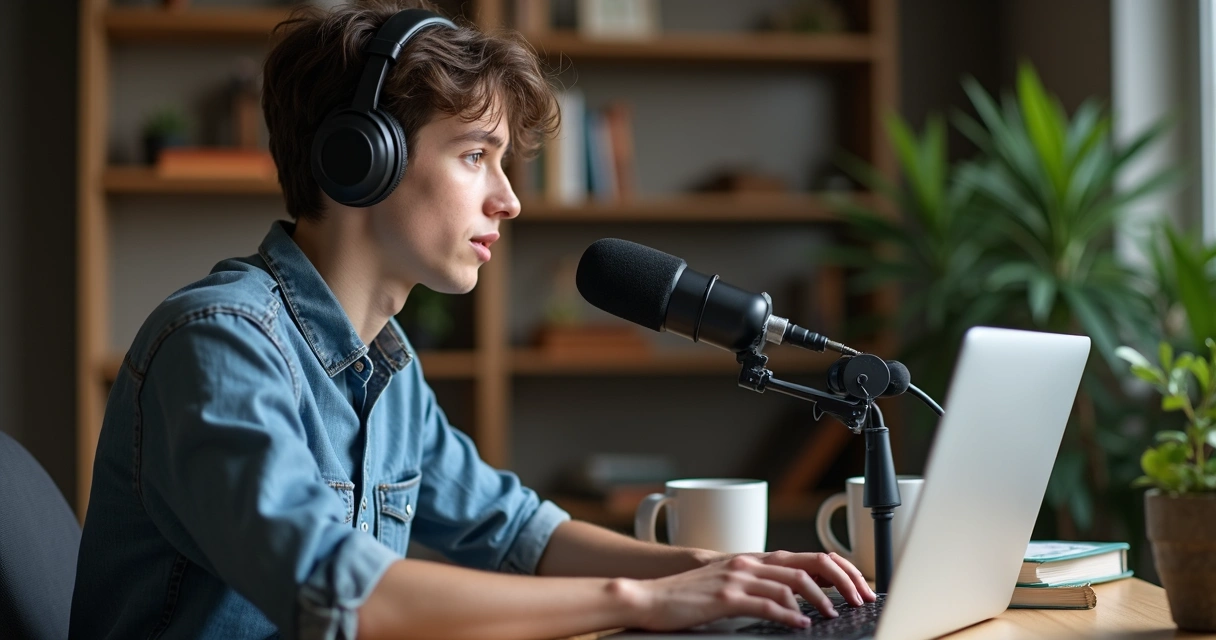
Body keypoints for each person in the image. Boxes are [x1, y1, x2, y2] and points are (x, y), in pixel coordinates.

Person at [69, 2, 877, 638]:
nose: (510, 199)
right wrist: (648, 599)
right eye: (473, 155)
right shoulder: (218, 345)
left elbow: (518, 531)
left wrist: (713, 569)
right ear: (361, 159)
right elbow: (348, 598)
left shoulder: (384, 365)